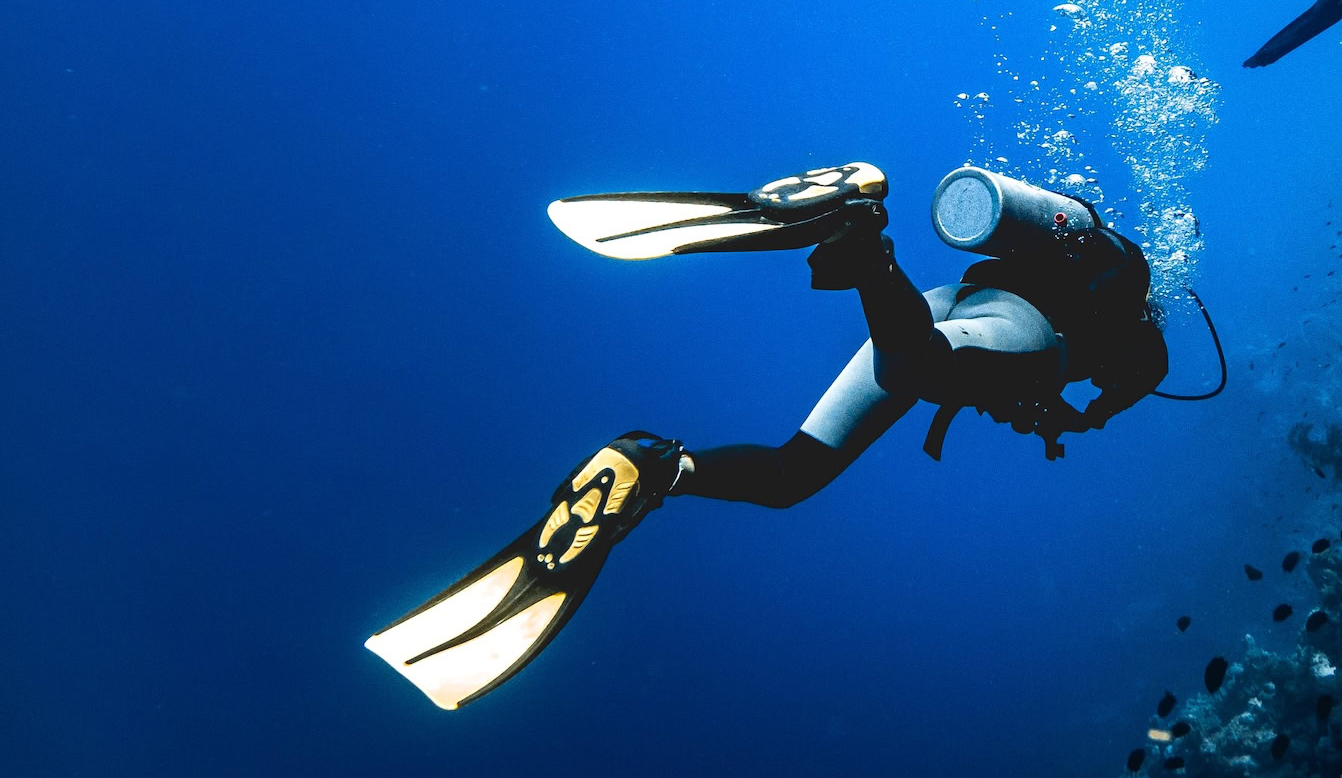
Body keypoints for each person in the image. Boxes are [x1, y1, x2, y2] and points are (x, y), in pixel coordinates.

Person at [363, 162, 1169, 710]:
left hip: (945, 298)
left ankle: (657, 470)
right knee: (922, 369)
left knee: (793, 474)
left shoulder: (1099, 278)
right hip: (1011, 330)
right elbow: (1116, 392)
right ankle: (862, 237)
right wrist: (1074, 414)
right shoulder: (1138, 339)